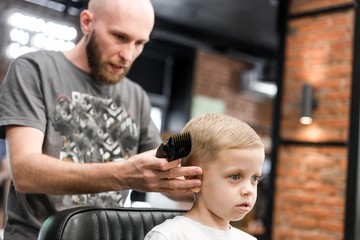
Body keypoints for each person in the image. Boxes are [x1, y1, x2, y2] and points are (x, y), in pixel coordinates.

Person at [0, 0, 202, 239]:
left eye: (139, 43)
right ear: (87, 22)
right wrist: (123, 174)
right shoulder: (34, 70)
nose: (128, 54)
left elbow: (164, 180)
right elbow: (25, 173)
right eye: (120, 37)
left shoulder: (136, 96)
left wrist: (221, 187)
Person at [145, 113, 265, 240]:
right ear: (194, 178)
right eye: (235, 177)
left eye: (254, 178)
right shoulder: (168, 236)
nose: (249, 190)